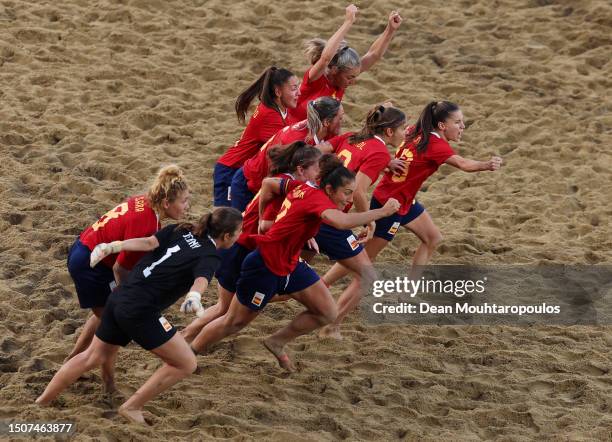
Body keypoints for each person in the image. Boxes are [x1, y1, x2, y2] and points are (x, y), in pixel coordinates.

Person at [189, 155, 400, 372]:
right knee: (233, 321)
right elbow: (340, 221)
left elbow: (269, 184)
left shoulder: (302, 186)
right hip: (265, 265)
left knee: (327, 312)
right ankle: (190, 354)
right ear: (329, 188)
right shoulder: (316, 198)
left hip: (291, 263)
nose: (350, 199)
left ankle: (277, 341)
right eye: (346, 193)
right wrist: (383, 212)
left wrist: (276, 223)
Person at [36, 208, 243, 425]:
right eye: (238, 232)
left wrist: (113, 246)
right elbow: (201, 279)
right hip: (140, 310)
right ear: (226, 236)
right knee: (186, 363)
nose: (239, 236)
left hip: (118, 297)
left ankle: (42, 402)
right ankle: (132, 407)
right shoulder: (209, 255)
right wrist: (195, 295)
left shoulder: (180, 229)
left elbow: (147, 243)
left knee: (92, 356)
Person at [323, 101, 503, 291]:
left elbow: (394, 135)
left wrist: (389, 158)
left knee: (432, 238)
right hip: (391, 203)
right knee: (364, 258)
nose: (463, 127)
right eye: (458, 122)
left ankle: (409, 292)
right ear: (442, 126)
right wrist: (487, 164)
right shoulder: (436, 145)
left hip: (404, 198)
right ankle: (324, 284)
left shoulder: (414, 129)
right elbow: (463, 164)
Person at [65, 165, 190, 390]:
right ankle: (109, 384)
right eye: (183, 201)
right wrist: (126, 299)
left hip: (84, 249)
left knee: (105, 314)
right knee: (112, 326)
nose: (186, 207)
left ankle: (73, 359)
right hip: (90, 266)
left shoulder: (144, 202)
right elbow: (120, 269)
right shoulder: (147, 223)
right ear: (166, 203)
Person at [182, 143, 322, 341]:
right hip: (239, 248)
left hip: (242, 245)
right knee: (226, 310)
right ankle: (187, 339)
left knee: (229, 309)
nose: (320, 173)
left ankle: (188, 339)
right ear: (301, 169)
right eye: (317, 168)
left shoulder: (288, 183)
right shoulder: (287, 187)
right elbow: (266, 224)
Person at [313, 105, 408, 339]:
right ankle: (331, 326)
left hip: (312, 206)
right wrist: (370, 222)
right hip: (329, 218)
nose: (405, 133)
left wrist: (383, 163)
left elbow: (321, 154)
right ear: (388, 132)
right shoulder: (379, 152)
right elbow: (358, 191)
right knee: (368, 277)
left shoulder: (352, 137)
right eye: (402, 128)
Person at [230, 96, 343, 211]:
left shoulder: (323, 131)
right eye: (340, 118)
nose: (342, 122)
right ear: (327, 122)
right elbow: (278, 180)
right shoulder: (297, 140)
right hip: (250, 186)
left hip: (266, 183)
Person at [292, 4, 403, 120]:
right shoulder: (315, 79)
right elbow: (325, 59)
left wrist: (390, 30)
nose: (353, 81)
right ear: (334, 70)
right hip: (293, 134)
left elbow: (373, 55)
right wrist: (348, 22)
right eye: (349, 77)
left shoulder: (340, 80)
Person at [214, 67, 300, 206]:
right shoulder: (270, 115)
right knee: (227, 223)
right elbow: (286, 150)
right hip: (231, 170)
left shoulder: (280, 109)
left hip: (243, 170)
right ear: (278, 92)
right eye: (294, 88)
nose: (299, 93)